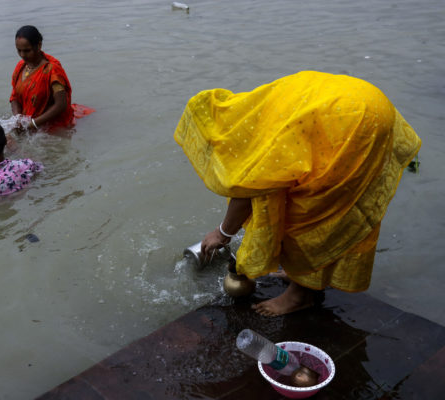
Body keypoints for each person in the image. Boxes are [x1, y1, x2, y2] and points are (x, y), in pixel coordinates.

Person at [174, 71, 422, 317]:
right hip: (364, 101)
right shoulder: (253, 111)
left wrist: (222, 233)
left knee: (312, 218)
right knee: (306, 198)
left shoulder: (265, 141)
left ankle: (301, 295)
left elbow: (248, 193)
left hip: (356, 126)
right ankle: (302, 274)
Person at [10, 25, 94, 133]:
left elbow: (61, 104)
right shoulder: (20, 66)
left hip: (50, 127)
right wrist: (18, 118)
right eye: (19, 51)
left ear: (39, 45)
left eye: (27, 51)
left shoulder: (52, 70)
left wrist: (34, 124)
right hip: (28, 123)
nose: (22, 55)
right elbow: (14, 97)